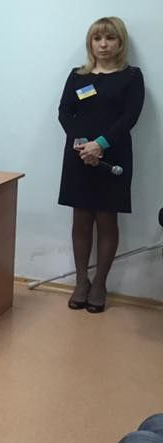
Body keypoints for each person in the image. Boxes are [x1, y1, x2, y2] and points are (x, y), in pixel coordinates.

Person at [58, 16, 144, 313]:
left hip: (113, 156)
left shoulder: (131, 76)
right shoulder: (77, 76)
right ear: (90, 43)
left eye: (110, 38)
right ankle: (81, 281)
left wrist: (100, 144)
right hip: (79, 155)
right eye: (97, 38)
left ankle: (100, 284)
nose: (103, 44)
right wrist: (84, 144)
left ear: (120, 42)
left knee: (107, 220)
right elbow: (64, 112)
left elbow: (130, 116)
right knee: (81, 220)